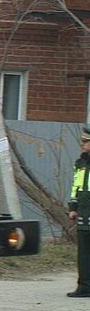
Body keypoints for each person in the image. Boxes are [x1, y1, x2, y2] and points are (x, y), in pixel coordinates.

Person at [69, 127, 90, 298]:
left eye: (86, 142)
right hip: (84, 211)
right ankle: (84, 286)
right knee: (83, 251)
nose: (82, 144)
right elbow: (76, 187)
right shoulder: (81, 163)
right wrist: (73, 208)